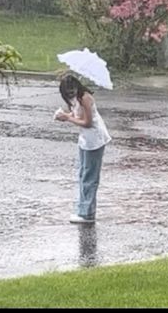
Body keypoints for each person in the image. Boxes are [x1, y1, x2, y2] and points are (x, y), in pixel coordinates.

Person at [54, 74, 111, 224]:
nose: (70, 94)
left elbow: (87, 122)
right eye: (67, 93)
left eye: (72, 91)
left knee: (89, 177)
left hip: (95, 139)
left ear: (77, 87)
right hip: (85, 139)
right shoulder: (74, 99)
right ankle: (83, 209)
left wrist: (67, 118)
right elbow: (76, 115)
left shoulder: (85, 98)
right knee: (82, 173)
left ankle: (87, 214)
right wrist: (65, 115)